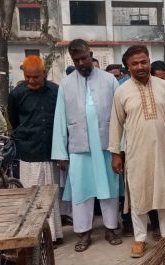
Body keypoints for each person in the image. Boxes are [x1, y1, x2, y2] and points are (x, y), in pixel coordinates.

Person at [109, 45, 165, 258]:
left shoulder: (164, 87)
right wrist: (116, 153)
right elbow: (115, 124)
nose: (140, 66)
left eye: (143, 61)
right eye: (135, 63)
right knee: (139, 194)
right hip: (136, 153)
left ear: (149, 61)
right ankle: (139, 239)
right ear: (128, 67)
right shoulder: (121, 91)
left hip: (163, 150)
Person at [51, 39, 122, 252]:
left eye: (84, 58)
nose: (81, 62)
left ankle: (111, 228)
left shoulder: (109, 80)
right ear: (72, 60)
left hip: (106, 146)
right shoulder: (66, 84)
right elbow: (60, 120)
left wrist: (120, 148)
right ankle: (84, 233)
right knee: (81, 191)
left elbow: (120, 115)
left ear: (91, 54)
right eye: (77, 60)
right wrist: (61, 153)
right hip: (79, 147)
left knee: (109, 188)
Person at [8, 55, 65, 245]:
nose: (31, 81)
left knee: (51, 194)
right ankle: (34, 234)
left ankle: (54, 235)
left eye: (36, 77)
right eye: (28, 77)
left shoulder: (56, 92)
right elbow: (14, 120)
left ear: (44, 74)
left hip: (51, 150)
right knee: (31, 196)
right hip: (29, 152)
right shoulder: (18, 93)